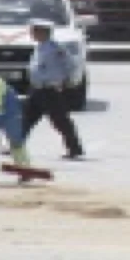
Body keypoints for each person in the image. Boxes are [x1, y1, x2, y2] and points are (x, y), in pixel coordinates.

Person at [24, 19, 85, 160]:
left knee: (60, 120)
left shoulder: (55, 49)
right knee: (26, 119)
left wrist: (68, 81)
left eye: (34, 31)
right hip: (37, 89)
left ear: (42, 32)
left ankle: (74, 148)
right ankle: (16, 145)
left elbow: (70, 65)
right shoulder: (40, 47)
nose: (31, 33)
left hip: (49, 90)